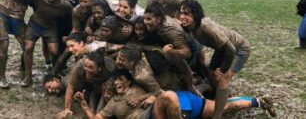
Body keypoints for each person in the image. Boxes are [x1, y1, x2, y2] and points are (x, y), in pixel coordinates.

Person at [75, 69, 277, 119]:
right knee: (168, 97)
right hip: (160, 110)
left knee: (224, 107)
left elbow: (159, 88)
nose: (116, 84)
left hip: (183, 100)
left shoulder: (143, 85)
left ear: (129, 80)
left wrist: (150, 96)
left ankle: (258, 101)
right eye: (113, 82)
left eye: (120, 80)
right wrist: (84, 104)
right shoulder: (112, 105)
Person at [179, 0, 251, 119]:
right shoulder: (189, 26)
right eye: (181, 13)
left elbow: (231, 50)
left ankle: (217, 115)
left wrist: (223, 71)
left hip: (239, 49)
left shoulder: (206, 26)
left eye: (187, 14)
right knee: (212, 75)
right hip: (221, 49)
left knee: (222, 79)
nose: (182, 17)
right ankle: (222, 97)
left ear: (196, 15)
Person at [11, 0, 73, 87]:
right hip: (34, 25)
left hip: (50, 28)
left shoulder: (65, 5)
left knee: (54, 50)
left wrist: (71, 34)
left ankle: (55, 72)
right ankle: (28, 75)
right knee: (28, 47)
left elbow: (73, 18)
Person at [0, 0, 35, 88]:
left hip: (18, 19)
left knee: (27, 47)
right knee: (3, 45)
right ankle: (2, 77)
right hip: (2, 14)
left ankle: (27, 74)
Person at [56, 50, 116, 119]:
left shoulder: (110, 68)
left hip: (102, 88)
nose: (87, 69)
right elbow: (70, 87)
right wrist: (67, 108)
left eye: (91, 67)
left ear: (99, 68)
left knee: (99, 110)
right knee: (65, 84)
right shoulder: (80, 66)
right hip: (86, 84)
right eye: (86, 66)